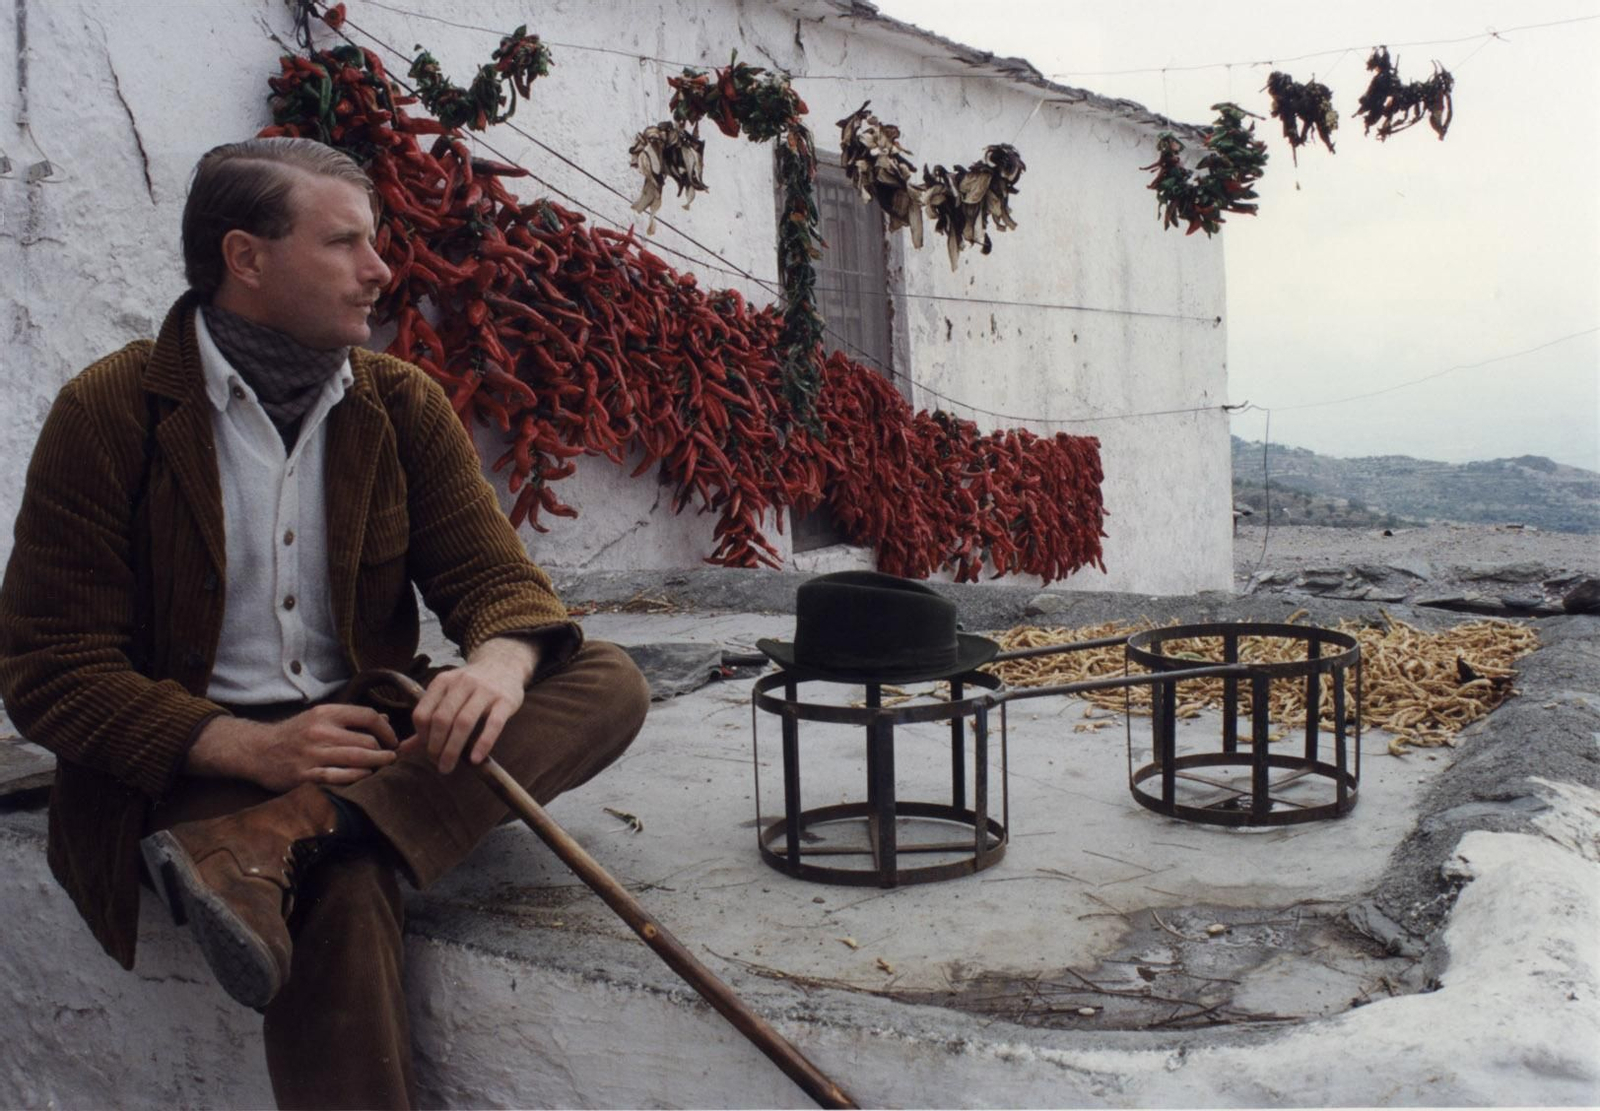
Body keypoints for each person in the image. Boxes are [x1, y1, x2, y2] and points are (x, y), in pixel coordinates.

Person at [0, 137, 651, 1109]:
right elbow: (48, 666)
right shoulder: (114, 409)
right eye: (345, 242)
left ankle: (296, 829)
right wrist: (250, 748)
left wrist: (501, 665)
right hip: (193, 761)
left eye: (374, 242)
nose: (381, 269)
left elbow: (497, 585)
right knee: (345, 887)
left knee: (605, 680)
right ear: (246, 258)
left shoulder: (400, 404)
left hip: (363, 737)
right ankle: (294, 834)